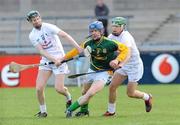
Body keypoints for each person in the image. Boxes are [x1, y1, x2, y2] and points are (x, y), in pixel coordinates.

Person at [59, 21, 130, 118]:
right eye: (91, 31)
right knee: (84, 92)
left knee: (90, 93)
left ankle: (70, 109)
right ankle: (84, 111)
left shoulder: (110, 43)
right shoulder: (88, 43)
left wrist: (117, 60)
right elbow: (75, 51)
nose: (93, 33)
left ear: (101, 31)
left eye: (96, 31)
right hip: (92, 70)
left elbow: (126, 49)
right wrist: (62, 59)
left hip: (104, 73)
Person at [27, 10, 82, 118]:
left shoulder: (49, 27)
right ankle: (43, 112)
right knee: (39, 88)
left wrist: (78, 47)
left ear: (40, 18)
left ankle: (68, 96)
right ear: (30, 22)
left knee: (59, 89)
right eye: (34, 20)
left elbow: (65, 35)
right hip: (46, 61)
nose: (37, 21)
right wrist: (53, 59)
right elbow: (41, 51)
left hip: (61, 59)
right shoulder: (32, 35)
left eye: (38, 19)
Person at [103, 17, 152, 116]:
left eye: (117, 26)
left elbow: (128, 55)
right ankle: (111, 111)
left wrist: (120, 64)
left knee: (130, 93)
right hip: (123, 65)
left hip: (134, 66)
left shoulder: (126, 37)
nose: (114, 28)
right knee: (112, 87)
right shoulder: (111, 36)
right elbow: (106, 51)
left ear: (123, 27)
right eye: (113, 26)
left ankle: (147, 97)